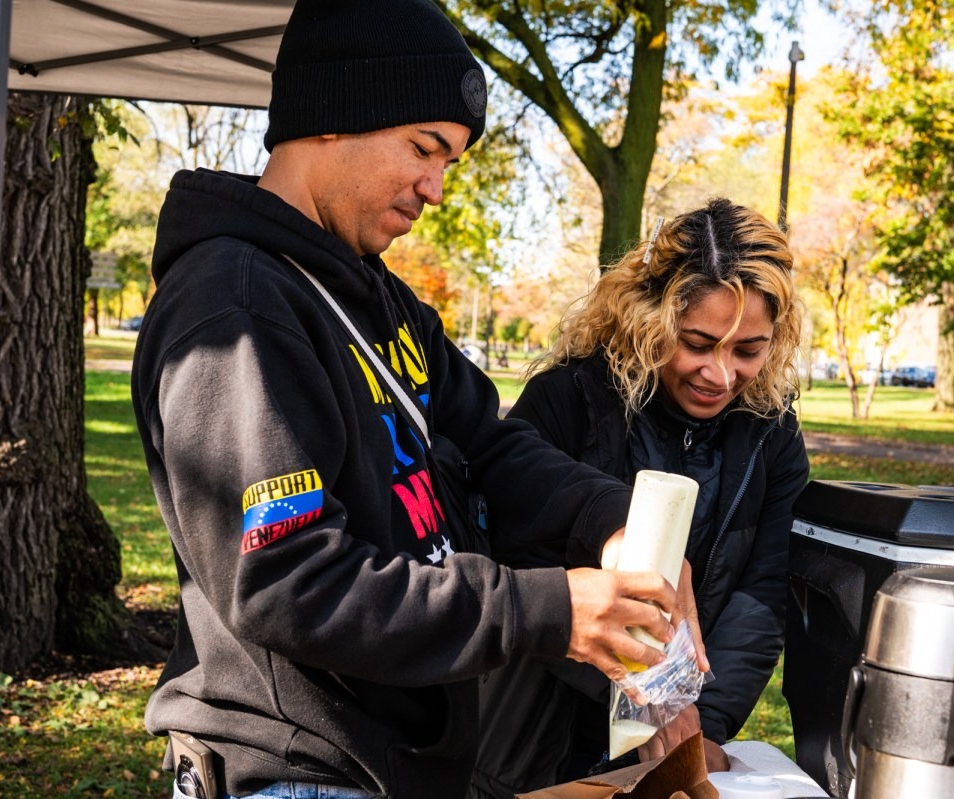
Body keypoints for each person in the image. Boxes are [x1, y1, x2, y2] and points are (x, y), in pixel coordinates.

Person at [130, 2, 702, 797]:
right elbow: (288, 579)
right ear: (336, 114)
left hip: (401, 761)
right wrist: (548, 609)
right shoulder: (239, 305)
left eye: (450, 162)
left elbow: (491, 446)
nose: (434, 189)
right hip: (297, 769)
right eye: (423, 149)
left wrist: (612, 525)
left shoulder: (384, 302)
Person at [471, 199, 810, 798]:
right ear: (651, 318)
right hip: (534, 734)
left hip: (678, 741)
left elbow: (762, 595)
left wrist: (707, 720)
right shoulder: (568, 399)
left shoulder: (772, 436)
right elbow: (517, 553)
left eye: (747, 351)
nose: (720, 374)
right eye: (698, 343)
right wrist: (650, 696)